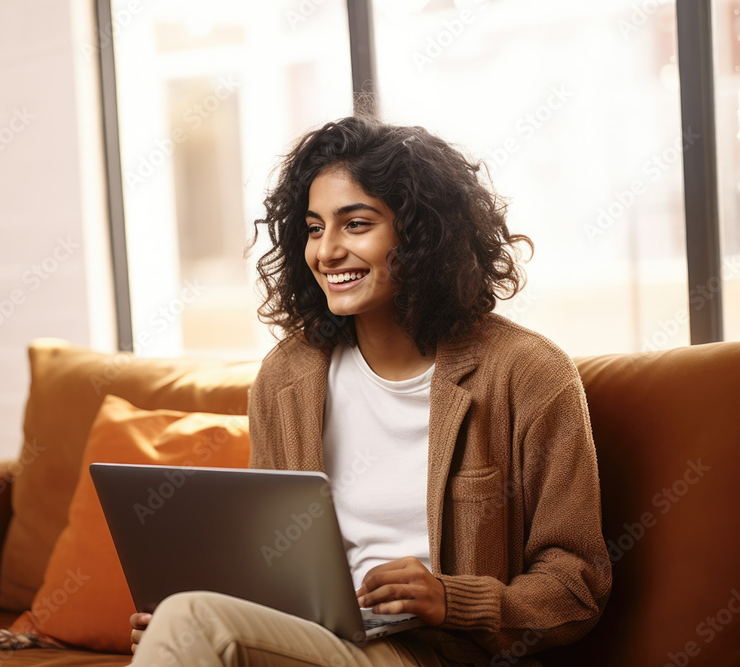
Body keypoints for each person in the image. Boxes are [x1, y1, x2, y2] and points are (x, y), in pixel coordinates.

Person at [128, 116, 612, 666]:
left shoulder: (527, 374)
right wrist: (187, 613)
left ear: (422, 234)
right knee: (187, 615)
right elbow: (273, 564)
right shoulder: (286, 378)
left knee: (194, 622)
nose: (327, 252)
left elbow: (576, 586)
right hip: (321, 639)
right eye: (313, 229)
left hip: (442, 654)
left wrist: (449, 599)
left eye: (355, 224)